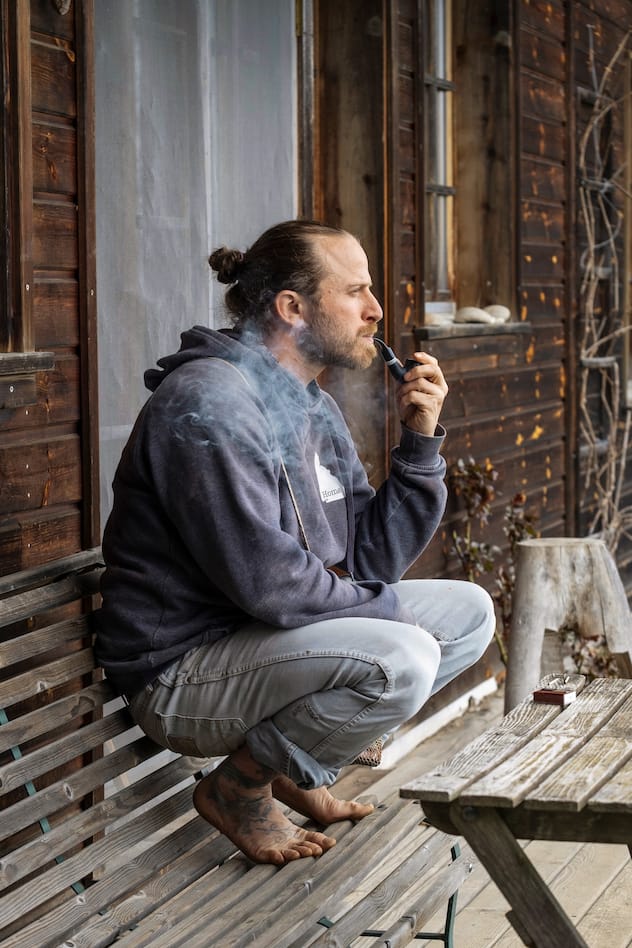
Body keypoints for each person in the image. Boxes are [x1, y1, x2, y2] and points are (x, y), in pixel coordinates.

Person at [94, 219, 495, 866]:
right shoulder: (210, 405)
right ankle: (241, 787)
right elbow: (271, 584)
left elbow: (368, 559)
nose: (376, 310)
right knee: (404, 655)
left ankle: (287, 767)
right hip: (182, 672)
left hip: (262, 646)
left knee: (468, 615)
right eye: (356, 292)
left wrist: (419, 445)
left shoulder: (311, 406)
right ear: (292, 309)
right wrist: (386, 615)